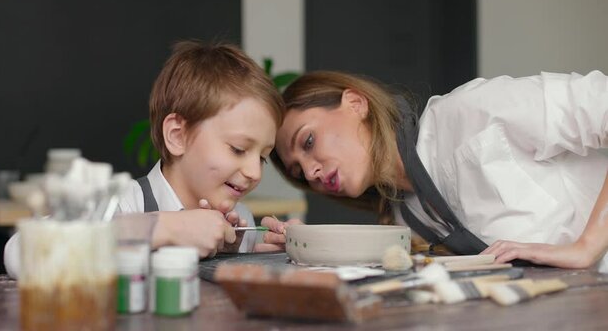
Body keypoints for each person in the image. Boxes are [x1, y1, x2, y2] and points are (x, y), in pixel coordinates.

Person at [261, 70, 608, 269]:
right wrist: (306, 243)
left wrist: (587, 246)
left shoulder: (471, 113)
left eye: (307, 142)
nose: (309, 173)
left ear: (355, 103)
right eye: (297, 171)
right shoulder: (404, 217)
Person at [4, 41, 284, 278]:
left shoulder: (241, 222)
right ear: (177, 136)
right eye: (237, 149)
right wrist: (163, 228)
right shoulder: (123, 203)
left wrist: (262, 255)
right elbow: (22, 252)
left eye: (262, 158)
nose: (254, 172)